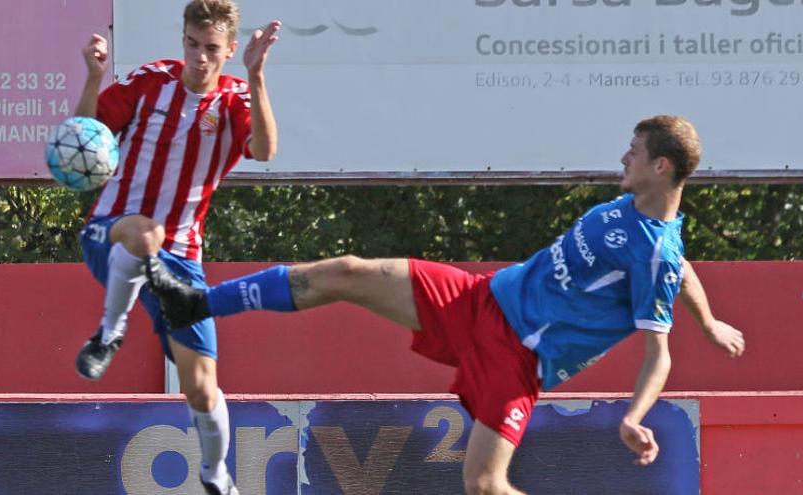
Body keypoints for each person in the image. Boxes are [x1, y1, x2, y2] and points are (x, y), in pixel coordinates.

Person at [144, 115, 746, 494]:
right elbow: (685, 272)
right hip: (477, 299)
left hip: (517, 358)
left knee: (484, 485)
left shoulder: (655, 253)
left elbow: (659, 351)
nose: (623, 158)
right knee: (347, 271)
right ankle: (195, 303)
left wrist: (636, 416)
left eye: (634, 151)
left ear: (660, 165)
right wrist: (712, 319)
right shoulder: (637, 218)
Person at [73, 1, 281, 493]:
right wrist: (92, 76)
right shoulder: (151, 82)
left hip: (181, 260)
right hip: (112, 232)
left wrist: (256, 75)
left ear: (230, 51)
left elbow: (266, 150)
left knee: (202, 385)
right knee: (145, 232)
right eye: (192, 44)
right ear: (182, 40)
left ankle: (216, 475)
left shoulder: (234, 100)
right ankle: (109, 332)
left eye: (211, 49)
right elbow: (85, 133)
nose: (199, 58)